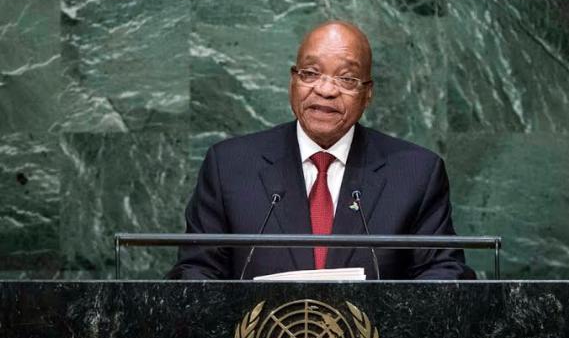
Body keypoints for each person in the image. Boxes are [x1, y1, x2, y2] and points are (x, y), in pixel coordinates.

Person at [167, 20, 475, 280]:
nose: (325, 90)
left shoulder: (415, 173)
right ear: (293, 81)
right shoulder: (229, 166)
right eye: (311, 73)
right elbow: (196, 271)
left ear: (367, 93)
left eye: (346, 78)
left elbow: (443, 272)